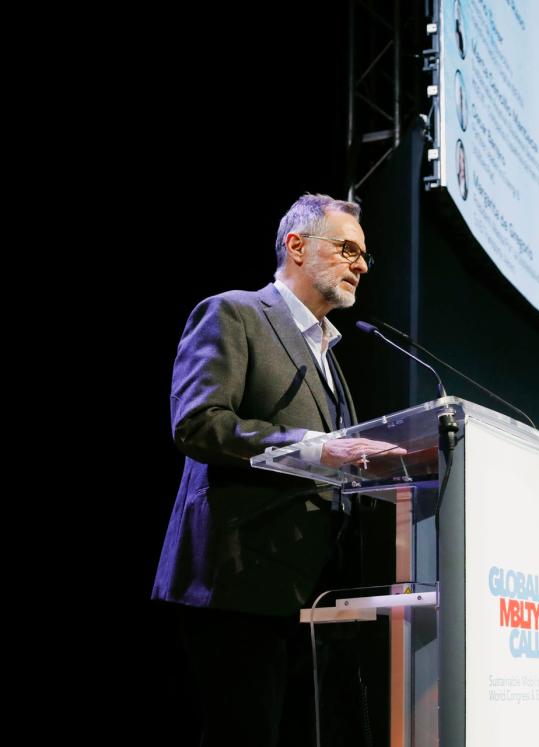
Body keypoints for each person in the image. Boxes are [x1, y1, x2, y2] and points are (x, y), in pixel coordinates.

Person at [152, 193, 403, 746]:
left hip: (315, 594)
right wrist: (316, 448)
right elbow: (198, 424)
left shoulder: (330, 354)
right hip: (239, 583)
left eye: (363, 255)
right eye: (347, 249)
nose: (361, 264)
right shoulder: (234, 313)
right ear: (296, 245)